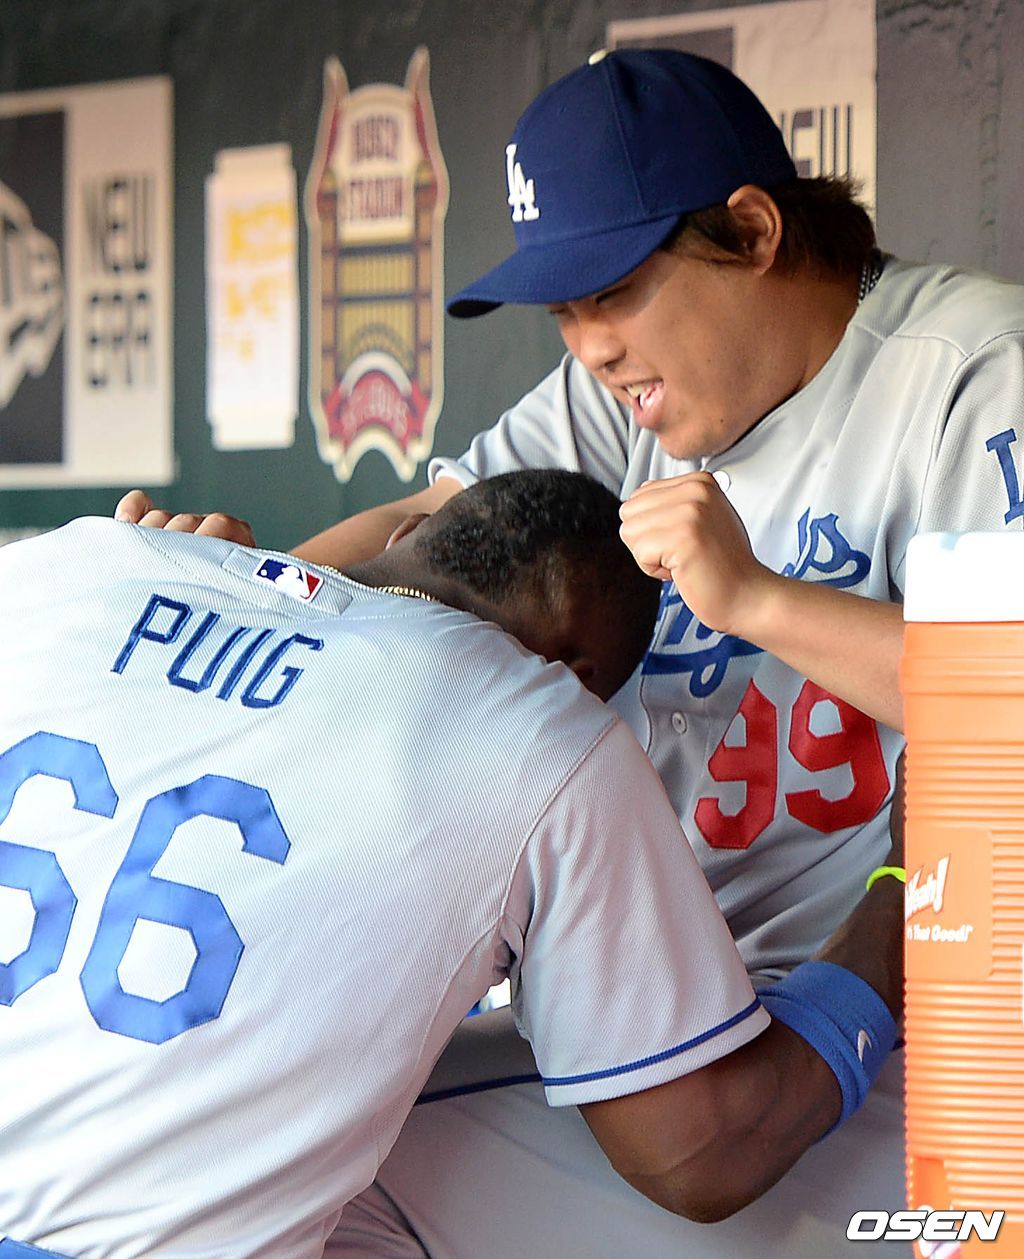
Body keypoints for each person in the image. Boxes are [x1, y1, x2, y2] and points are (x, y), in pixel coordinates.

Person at [247, 47, 1024, 1258]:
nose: (589, 343)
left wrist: (756, 599)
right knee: (304, 1149)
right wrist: (233, 582)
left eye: (610, 288)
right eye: (562, 306)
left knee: (323, 1166)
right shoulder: (616, 403)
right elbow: (424, 538)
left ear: (754, 231)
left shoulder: (968, 373)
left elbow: (1012, 703)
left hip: (935, 1043)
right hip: (701, 1030)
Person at [0, 469, 903, 1259]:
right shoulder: (538, 724)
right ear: (580, 671)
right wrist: (910, 886)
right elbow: (702, 1149)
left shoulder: (66, 565)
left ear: (400, 538)